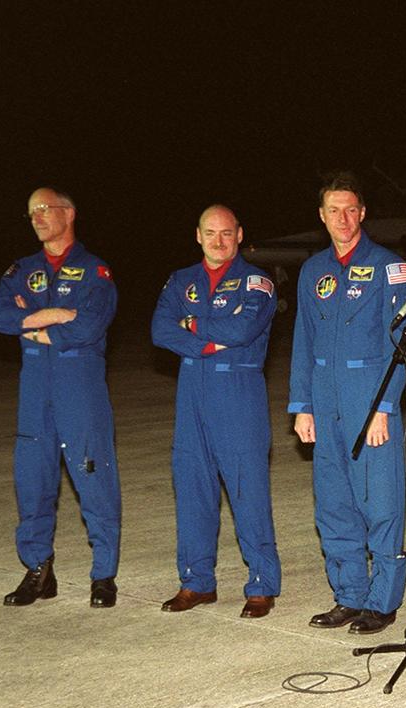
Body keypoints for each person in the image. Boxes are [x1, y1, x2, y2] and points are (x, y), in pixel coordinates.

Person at [289, 174, 406, 635]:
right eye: (333, 211)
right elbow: (303, 338)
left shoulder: (389, 267)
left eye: (350, 210)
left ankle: (382, 601)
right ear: (321, 216)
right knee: (335, 504)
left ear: (362, 213)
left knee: (380, 503)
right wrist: (302, 405)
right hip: (325, 397)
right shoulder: (312, 271)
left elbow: (404, 339)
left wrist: (384, 405)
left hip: (369, 398)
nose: (342, 219)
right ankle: (349, 596)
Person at [0, 188, 122, 608]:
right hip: (35, 393)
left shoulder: (94, 271)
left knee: (94, 478)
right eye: (32, 212)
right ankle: (38, 571)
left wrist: (31, 325)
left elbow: (89, 325)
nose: (37, 217)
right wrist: (54, 317)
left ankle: (103, 575)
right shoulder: (20, 270)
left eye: (45, 209)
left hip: (78, 390)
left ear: (69, 213)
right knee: (32, 481)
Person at [152, 205, 282, 618]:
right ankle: (196, 582)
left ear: (240, 235)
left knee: (248, 491)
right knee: (192, 489)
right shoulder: (180, 280)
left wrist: (190, 325)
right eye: (211, 233)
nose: (218, 241)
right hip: (192, 392)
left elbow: (243, 331)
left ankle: (261, 584)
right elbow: (159, 330)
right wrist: (206, 340)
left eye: (227, 233)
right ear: (198, 235)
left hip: (238, 391)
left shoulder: (257, 281)